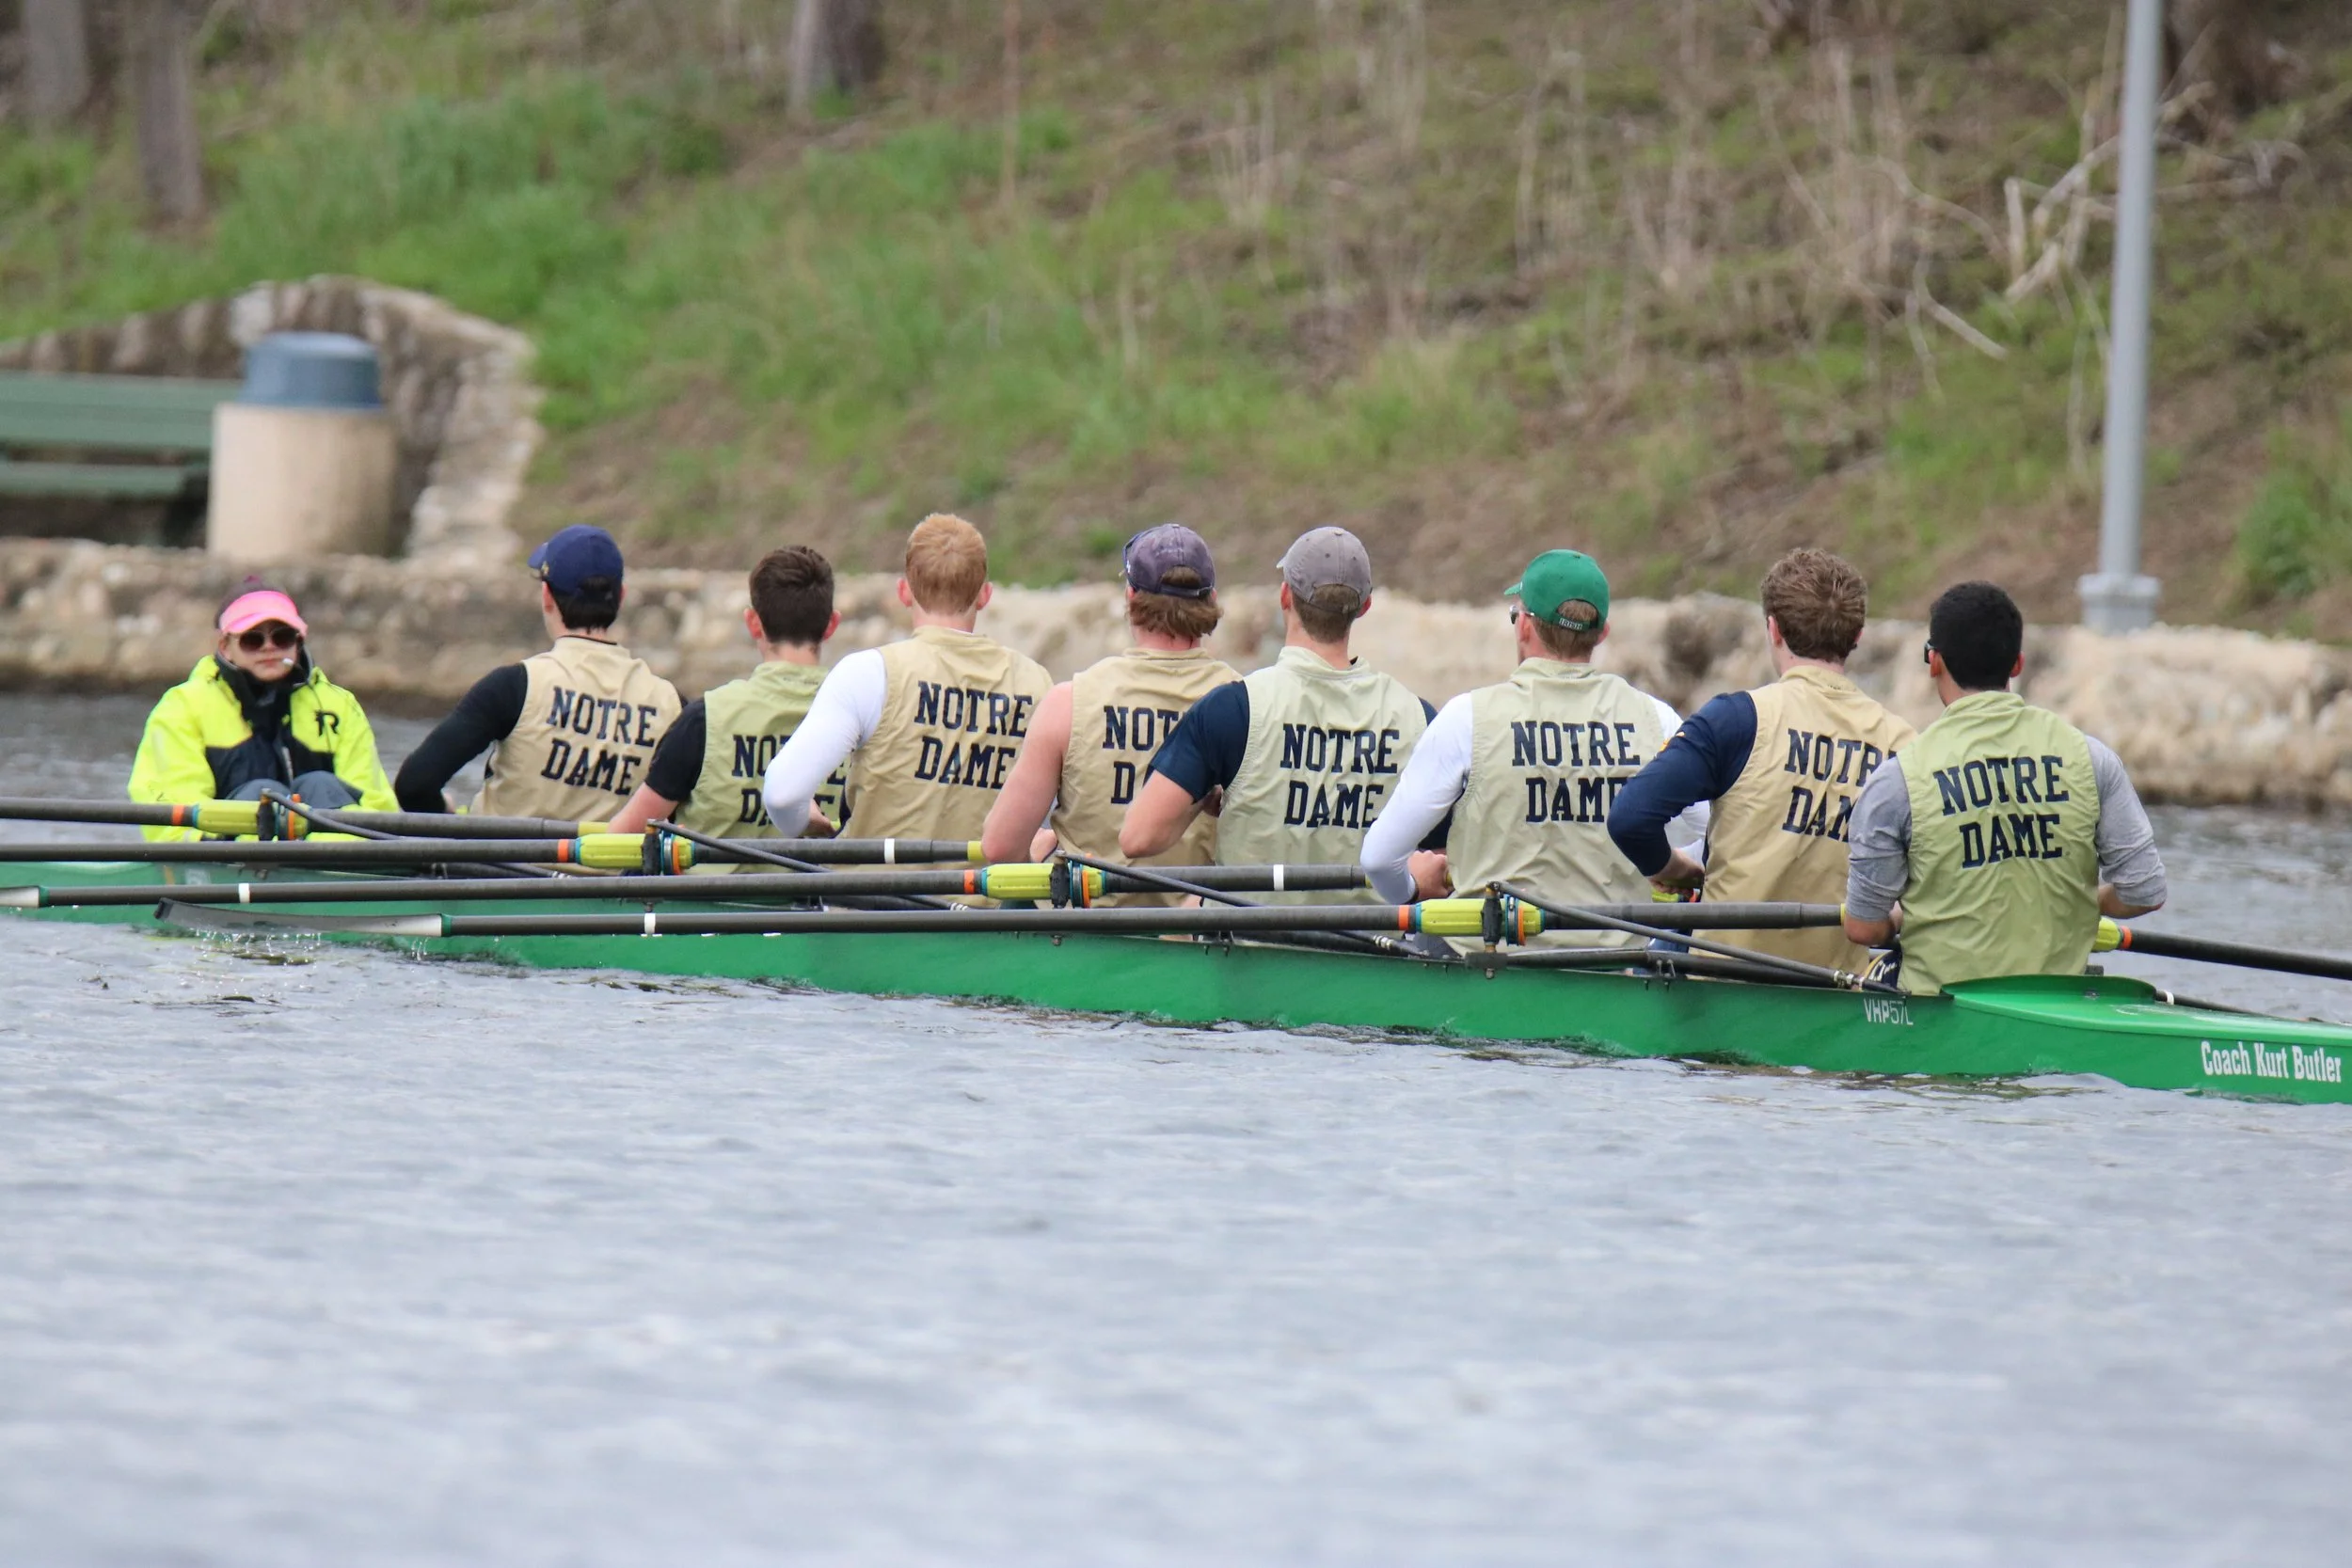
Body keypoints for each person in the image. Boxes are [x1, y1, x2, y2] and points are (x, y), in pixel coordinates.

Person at [1842, 581, 2167, 994]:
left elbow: (1863, 928)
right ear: (2017, 665)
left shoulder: (1896, 781)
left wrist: (1899, 921)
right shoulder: (2091, 758)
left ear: (1934, 662)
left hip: (1941, 1015)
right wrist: (2085, 904)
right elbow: (2145, 891)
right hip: (2060, 1004)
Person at [1361, 549, 1700, 942]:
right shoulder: (1657, 719)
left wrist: (1412, 891)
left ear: (1524, 626)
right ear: (1602, 633)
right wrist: (1671, 865)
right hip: (1616, 976)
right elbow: (1716, 833)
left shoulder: (1467, 718)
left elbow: (1378, 859)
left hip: (1492, 972)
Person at [1607, 547, 1915, 971]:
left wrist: (1672, 866)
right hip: (1836, 988)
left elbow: (1629, 819)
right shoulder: (1904, 744)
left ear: (1773, 629)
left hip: (1722, 979)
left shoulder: (1735, 719)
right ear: (1857, 636)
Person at [1121, 526, 1431, 902]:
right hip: (1370, 954)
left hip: (1250, 953)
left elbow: (1138, 838)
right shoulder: (1419, 718)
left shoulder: (1233, 709)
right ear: (1365, 606)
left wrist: (1204, 798)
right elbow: (1442, 861)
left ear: (1285, 596)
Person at [761, 513, 1051, 847]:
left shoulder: (868, 673)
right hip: (983, 896)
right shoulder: (1036, 684)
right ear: (985, 595)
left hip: (873, 896)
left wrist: (803, 823)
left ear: (904, 591)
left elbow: (782, 795)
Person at [978, 525, 1238, 895]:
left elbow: (1000, 847)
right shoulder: (1247, 704)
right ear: (1211, 599)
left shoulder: (1069, 702)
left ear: (1130, 598)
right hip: (1196, 941)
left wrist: (1039, 855)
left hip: (1085, 937)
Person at [394, 525, 681, 825]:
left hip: (500, 869)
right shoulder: (672, 705)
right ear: (621, 597)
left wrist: (447, 817)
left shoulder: (512, 687)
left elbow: (414, 786)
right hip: (610, 872)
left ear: (546, 595)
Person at [607, 546, 844, 862]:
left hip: (709, 909)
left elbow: (621, 840)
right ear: (831, 625)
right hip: (824, 909)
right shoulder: (864, 722)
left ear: (753, 623)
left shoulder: (705, 719)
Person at [129, 578, 397, 840]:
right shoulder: (182, 706)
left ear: (298, 642)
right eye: (252, 640)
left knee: (319, 784)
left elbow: (375, 802)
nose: (268, 648)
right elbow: (176, 808)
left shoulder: (340, 707)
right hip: (228, 858)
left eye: (281, 637)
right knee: (263, 794)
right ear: (226, 647)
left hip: (326, 860)